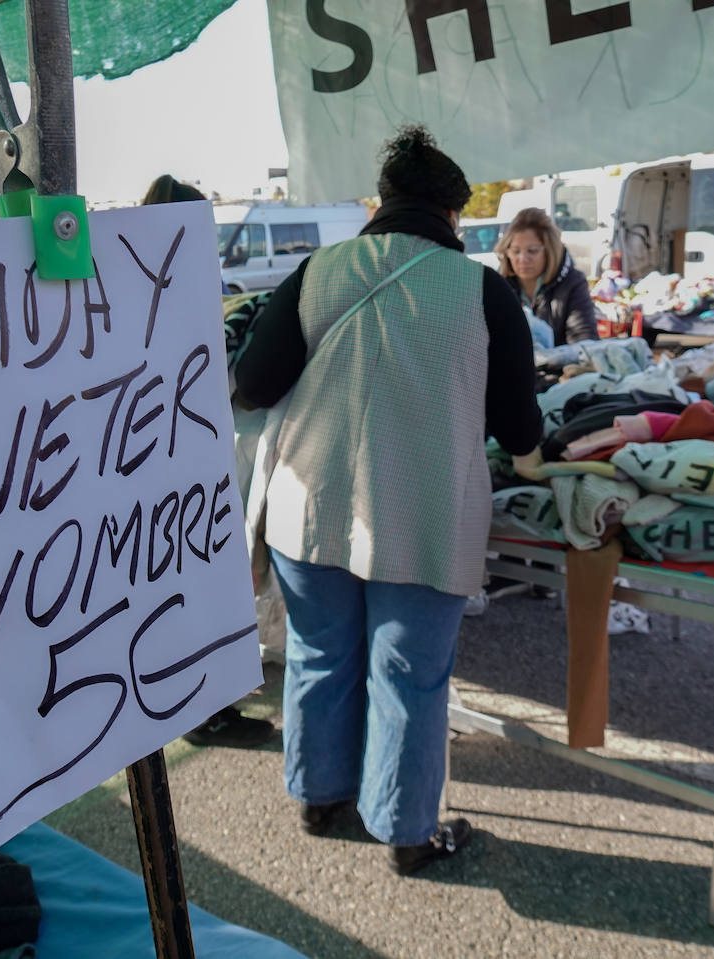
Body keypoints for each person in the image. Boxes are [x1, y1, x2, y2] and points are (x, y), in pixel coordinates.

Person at [234, 126, 544, 875]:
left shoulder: (316, 271)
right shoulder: (481, 289)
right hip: (423, 517)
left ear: (382, 201)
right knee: (409, 672)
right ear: (452, 214)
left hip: (308, 510)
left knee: (317, 651)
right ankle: (406, 834)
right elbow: (519, 427)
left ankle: (317, 796)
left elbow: (250, 383)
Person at [140, 173, 275, 750]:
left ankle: (197, 704)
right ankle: (201, 711)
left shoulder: (135, 277)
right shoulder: (171, 285)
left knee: (180, 590)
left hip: (162, 462)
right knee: (190, 590)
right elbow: (205, 382)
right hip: (180, 463)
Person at [495, 207, 599, 345]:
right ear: (506, 252)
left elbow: (583, 339)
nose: (523, 259)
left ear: (550, 251)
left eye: (532, 251)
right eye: (515, 251)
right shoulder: (499, 287)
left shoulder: (573, 283)